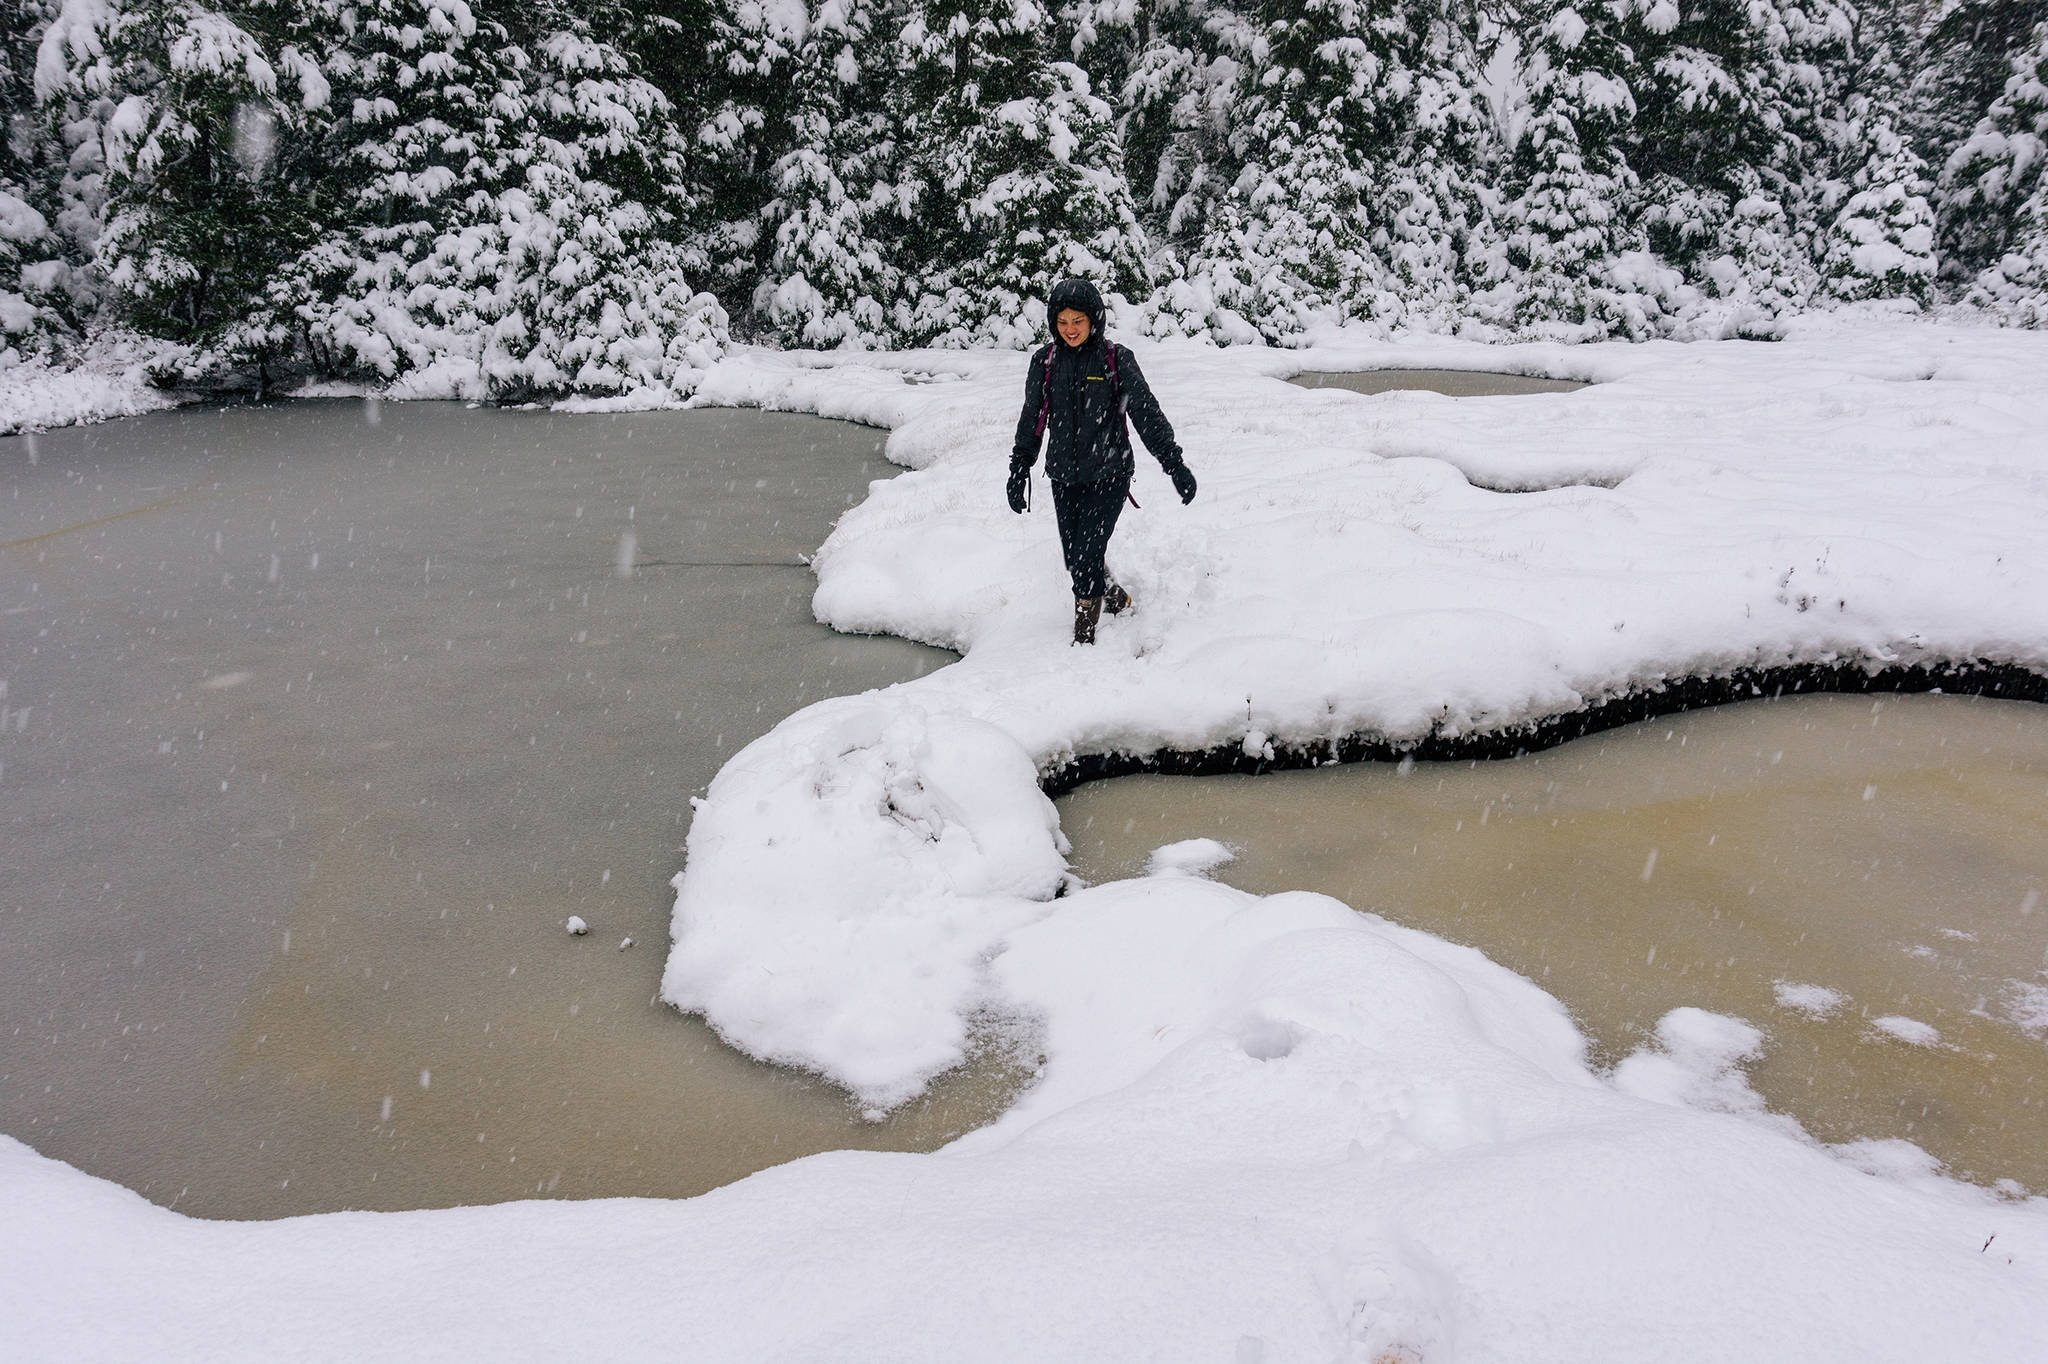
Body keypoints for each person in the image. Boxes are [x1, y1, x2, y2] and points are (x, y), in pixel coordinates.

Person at [1008, 278, 1197, 645]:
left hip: (1109, 475)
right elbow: (1032, 417)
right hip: (1063, 476)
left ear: (1093, 319)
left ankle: (1084, 636)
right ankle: (1114, 597)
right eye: (1062, 322)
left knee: (1084, 557)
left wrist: (1174, 464)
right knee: (1076, 557)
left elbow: (1146, 413)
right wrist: (1019, 467)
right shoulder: (1044, 363)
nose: (1070, 330)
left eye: (1077, 320)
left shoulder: (1115, 359)